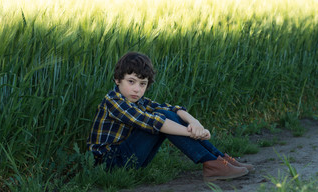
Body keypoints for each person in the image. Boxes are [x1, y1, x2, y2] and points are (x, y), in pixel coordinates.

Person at [87, 52, 255, 181]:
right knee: (159, 120)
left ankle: (218, 160)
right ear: (117, 80)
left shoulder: (138, 101)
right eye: (131, 82)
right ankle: (212, 164)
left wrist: (195, 123)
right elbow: (153, 122)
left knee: (165, 113)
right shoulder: (113, 101)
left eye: (142, 84)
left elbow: (172, 109)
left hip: (129, 158)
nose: (137, 89)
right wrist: (193, 133)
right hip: (110, 163)